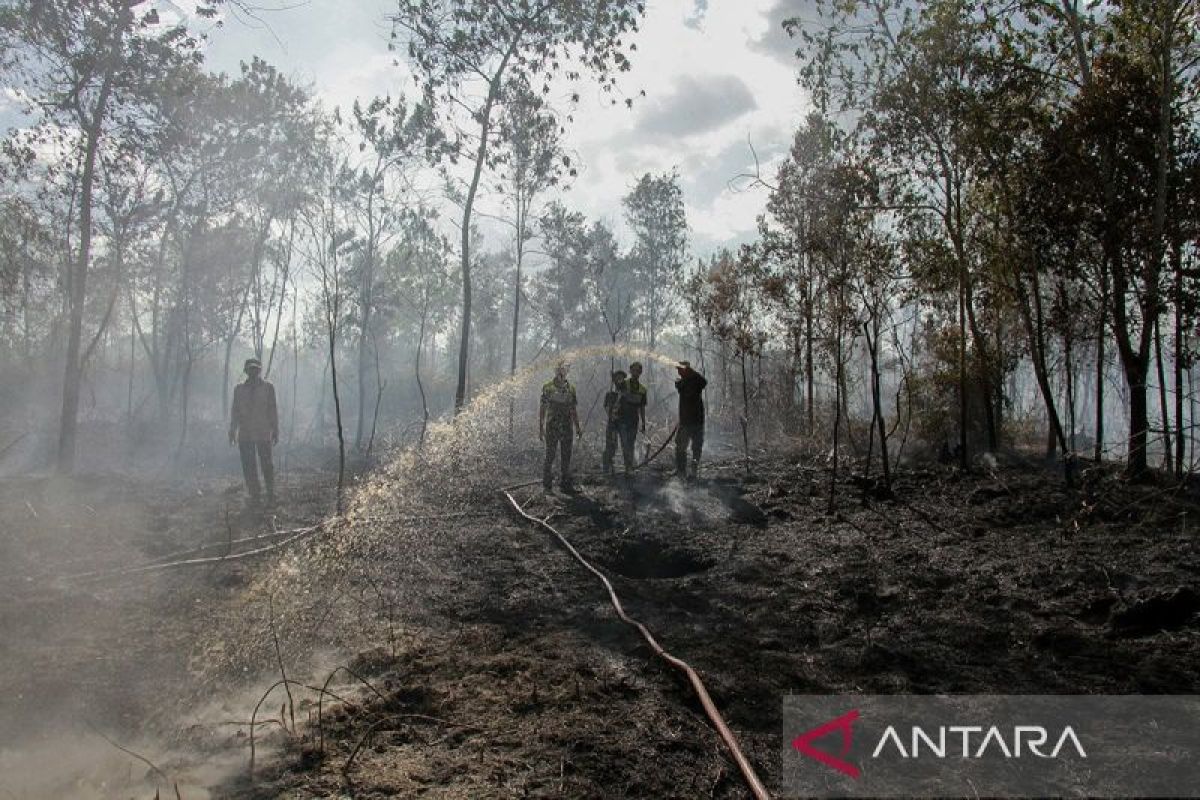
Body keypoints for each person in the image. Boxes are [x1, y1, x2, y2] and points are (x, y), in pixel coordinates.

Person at [229, 357, 279, 505]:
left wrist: (275, 429)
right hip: (245, 434)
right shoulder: (239, 389)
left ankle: (270, 493)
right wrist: (232, 430)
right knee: (248, 465)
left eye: (255, 369)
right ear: (246, 370)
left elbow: (273, 409)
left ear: (259, 370)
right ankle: (255, 495)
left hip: (263, 432)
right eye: (250, 369)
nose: (253, 372)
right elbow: (235, 411)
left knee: (267, 465)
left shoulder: (268, 387)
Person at [539, 361, 582, 491]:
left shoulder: (571, 388)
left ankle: (565, 481)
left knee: (566, 454)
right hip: (552, 426)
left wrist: (578, 427)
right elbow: (542, 409)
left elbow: (573, 409)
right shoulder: (548, 387)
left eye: (564, 369)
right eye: (559, 369)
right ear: (555, 371)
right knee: (550, 454)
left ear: (567, 371)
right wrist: (540, 428)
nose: (561, 372)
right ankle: (547, 482)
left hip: (567, 427)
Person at [675, 360, 707, 479]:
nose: (680, 371)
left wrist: (691, 371)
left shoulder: (697, 381)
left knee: (697, 446)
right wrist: (689, 374)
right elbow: (681, 386)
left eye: (682, 369)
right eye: (679, 369)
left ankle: (694, 469)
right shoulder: (680, 382)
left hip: (698, 420)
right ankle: (681, 471)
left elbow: (704, 382)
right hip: (685, 422)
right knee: (680, 447)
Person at [615, 361, 648, 475]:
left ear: (640, 373)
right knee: (625, 443)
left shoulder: (643, 389)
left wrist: (643, 423)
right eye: (634, 370)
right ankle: (628, 466)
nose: (636, 373)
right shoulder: (624, 383)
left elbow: (642, 408)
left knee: (631, 443)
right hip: (622, 419)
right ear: (630, 371)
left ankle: (629, 466)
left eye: (638, 371)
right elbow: (617, 395)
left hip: (634, 420)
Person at [601, 369, 627, 475]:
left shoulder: (626, 393)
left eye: (621, 378)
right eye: (617, 378)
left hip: (623, 423)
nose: (619, 380)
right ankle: (607, 467)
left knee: (626, 445)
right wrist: (611, 413)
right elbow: (606, 407)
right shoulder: (609, 394)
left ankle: (628, 467)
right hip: (612, 423)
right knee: (611, 445)